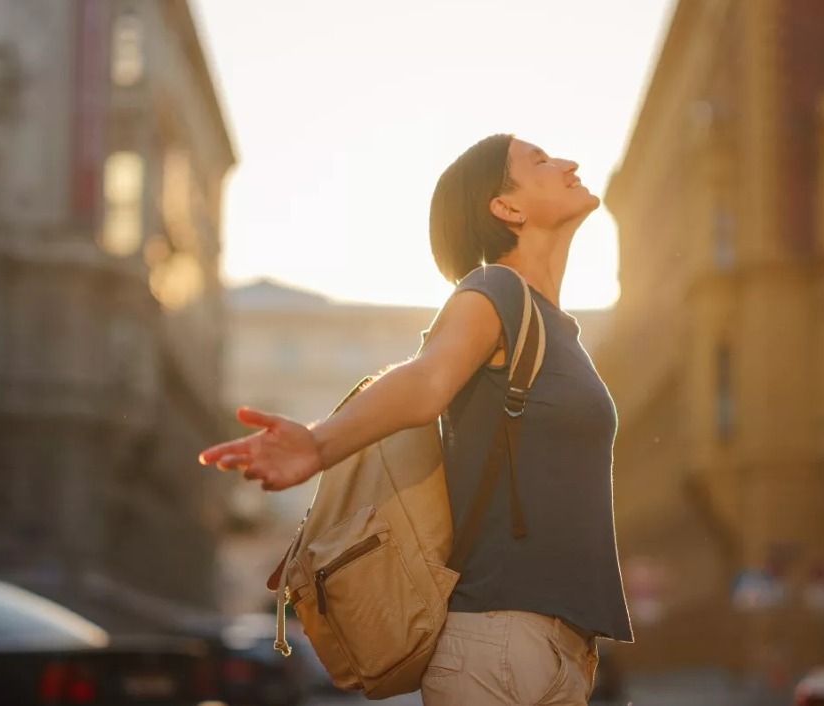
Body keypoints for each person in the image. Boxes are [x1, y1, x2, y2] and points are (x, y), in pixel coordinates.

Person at [199, 134, 632, 705]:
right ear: (507, 208)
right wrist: (320, 445)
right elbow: (428, 379)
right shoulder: (495, 290)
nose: (569, 162)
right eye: (541, 161)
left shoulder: (559, 332)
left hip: (561, 647)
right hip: (499, 641)